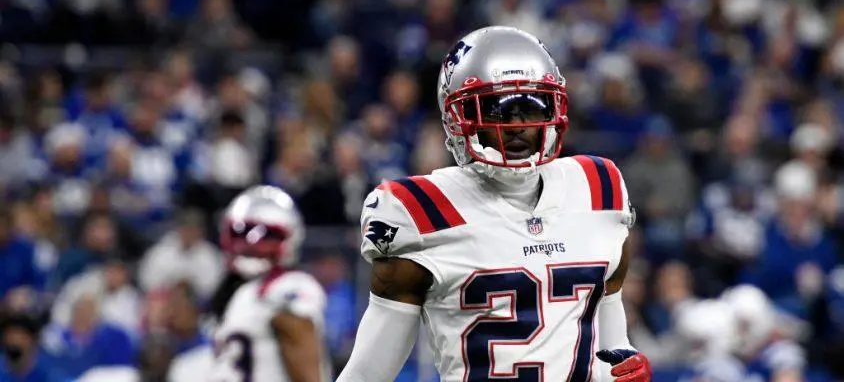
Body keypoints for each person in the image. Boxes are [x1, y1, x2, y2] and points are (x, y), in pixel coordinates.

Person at [337, 26, 652, 382]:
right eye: (498, 110)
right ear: (457, 118)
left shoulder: (598, 189)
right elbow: (368, 373)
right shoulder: (419, 210)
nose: (516, 125)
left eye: (531, 107)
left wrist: (623, 367)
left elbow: (611, 345)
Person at [208, 185, 331, 382]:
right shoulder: (239, 292)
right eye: (241, 233)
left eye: (267, 236)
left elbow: (297, 341)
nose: (250, 244)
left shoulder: (288, 285)